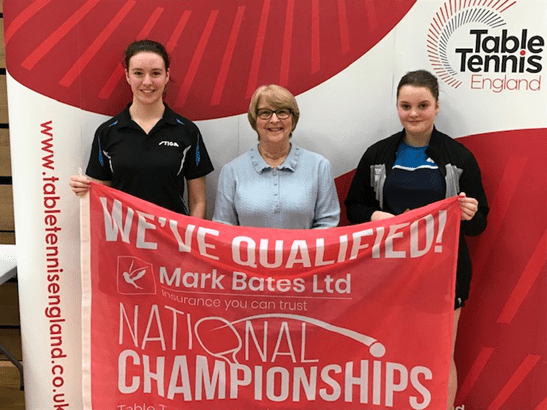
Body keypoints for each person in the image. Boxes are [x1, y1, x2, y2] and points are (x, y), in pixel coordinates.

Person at [344, 70, 488, 409]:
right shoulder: (378, 154)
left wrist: (468, 215)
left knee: (440, 351)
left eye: (422, 105)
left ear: (437, 107)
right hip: (388, 270)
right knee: (387, 348)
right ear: (397, 107)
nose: (413, 113)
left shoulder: (459, 157)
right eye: (405, 105)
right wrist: (375, 216)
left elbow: (481, 222)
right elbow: (354, 207)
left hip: (445, 271)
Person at [70, 39, 214, 217]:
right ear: (127, 76)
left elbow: (198, 201)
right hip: (123, 241)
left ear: (167, 75)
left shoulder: (187, 132)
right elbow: (101, 200)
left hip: (173, 240)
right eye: (138, 73)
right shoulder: (107, 133)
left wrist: (190, 240)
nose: (147, 82)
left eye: (155, 73)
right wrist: (85, 190)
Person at [213, 84, 340, 229]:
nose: (274, 120)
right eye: (265, 113)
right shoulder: (231, 171)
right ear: (254, 120)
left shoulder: (319, 166)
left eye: (282, 112)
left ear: (293, 119)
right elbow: (223, 229)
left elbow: (328, 224)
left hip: (303, 252)